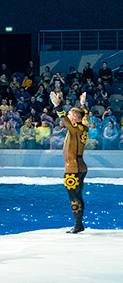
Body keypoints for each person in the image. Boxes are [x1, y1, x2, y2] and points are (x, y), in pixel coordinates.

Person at [50, 90, 89, 233]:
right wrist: (83, 103)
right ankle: (80, 223)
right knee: (78, 196)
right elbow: (84, 116)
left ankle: (78, 225)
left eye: (71, 115)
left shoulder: (75, 129)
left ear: (75, 118)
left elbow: (64, 120)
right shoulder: (83, 126)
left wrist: (57, 106)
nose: (69, 116)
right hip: (81, 166)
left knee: (74, 198)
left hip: (72, 168)